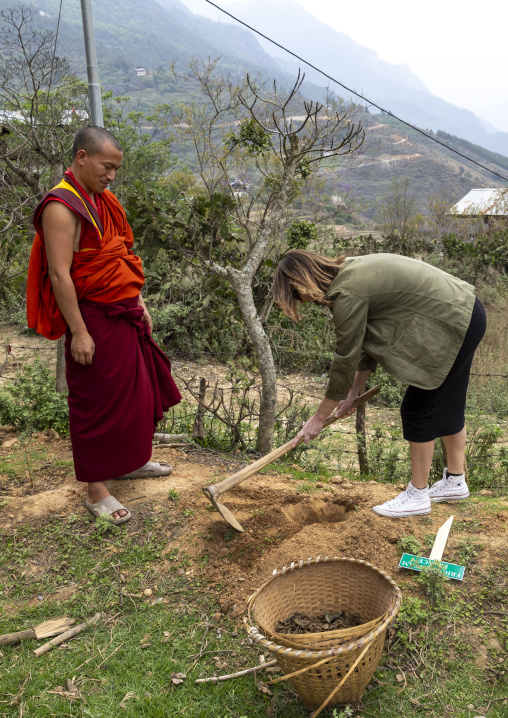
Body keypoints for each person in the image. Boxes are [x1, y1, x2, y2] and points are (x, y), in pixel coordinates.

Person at [26, 126, 181, 524]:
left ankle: (131, 460)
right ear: (82, 158)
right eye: (106, 166)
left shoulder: (103, 200)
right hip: (92, 318)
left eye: (116, 169)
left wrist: (139, 300)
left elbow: (121, 255)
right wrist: (79, 331)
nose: (112, 176)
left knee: (136, 395)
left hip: (124, 312)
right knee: (95, 402)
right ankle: (96, 486)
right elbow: (61, 276)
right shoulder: (61, 207)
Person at [273, 249, 486, 518]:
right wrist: (352, 393)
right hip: (467, 312)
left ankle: (417, 495)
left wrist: (318, 418)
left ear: (302, 281)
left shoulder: (347, 293)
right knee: (448, 403)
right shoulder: (350, 273)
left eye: (295, 295)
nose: (301, 302)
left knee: (418, 409)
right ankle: (455, 480)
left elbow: (345, 358)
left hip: (454, 320)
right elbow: (363, 348)